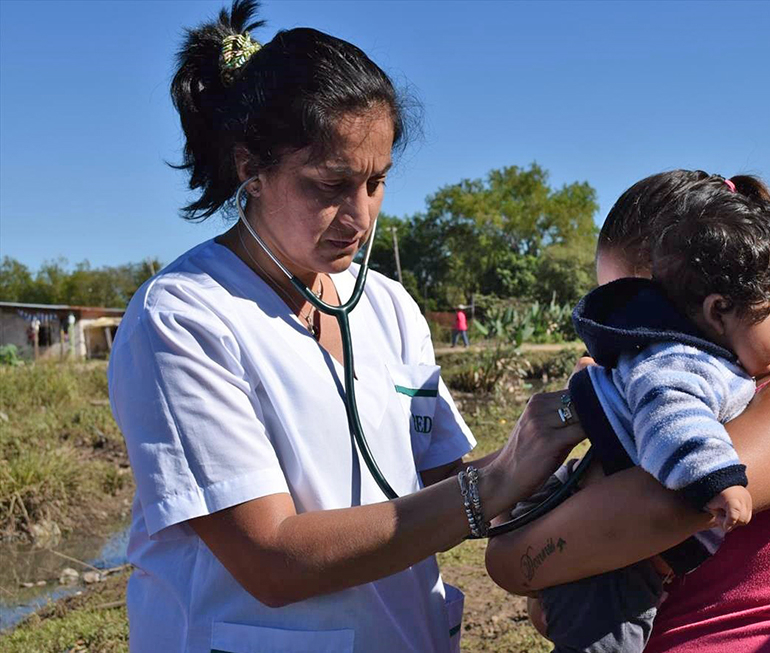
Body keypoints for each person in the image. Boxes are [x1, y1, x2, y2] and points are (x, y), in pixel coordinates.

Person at [107, 3, 583, 651]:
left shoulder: (387, 305)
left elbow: (440, 478)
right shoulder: (186, 317)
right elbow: (272, 558)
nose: (359, 217)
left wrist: (559, 479)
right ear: (251, 169)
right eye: (331, 184)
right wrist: (494, 482)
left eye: (376, 182)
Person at [486, 171, 770, 652]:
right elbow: (556, 604)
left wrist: (522, 508)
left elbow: (516, 562)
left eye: (636, 310)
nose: (629, 341)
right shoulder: (713, 399)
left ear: (708, 300)